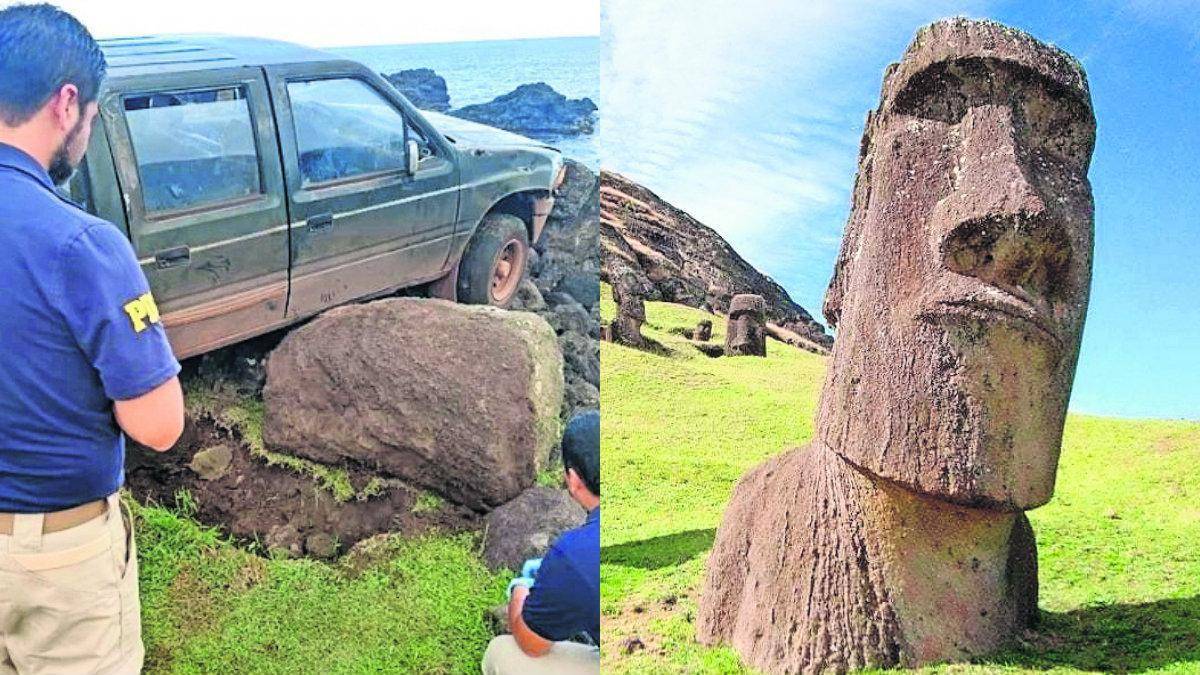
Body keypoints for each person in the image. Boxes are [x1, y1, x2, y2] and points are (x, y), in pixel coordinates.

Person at [0, 5, 184, 673]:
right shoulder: (84, 244)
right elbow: (159, 423)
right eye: (93, 116)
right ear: (66, 103)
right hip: (55, 556)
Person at [482, 411, 600, 674]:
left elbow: (532, 643)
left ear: (574, 479)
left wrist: (520, 590)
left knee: (501, 653)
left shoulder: (574, 558)